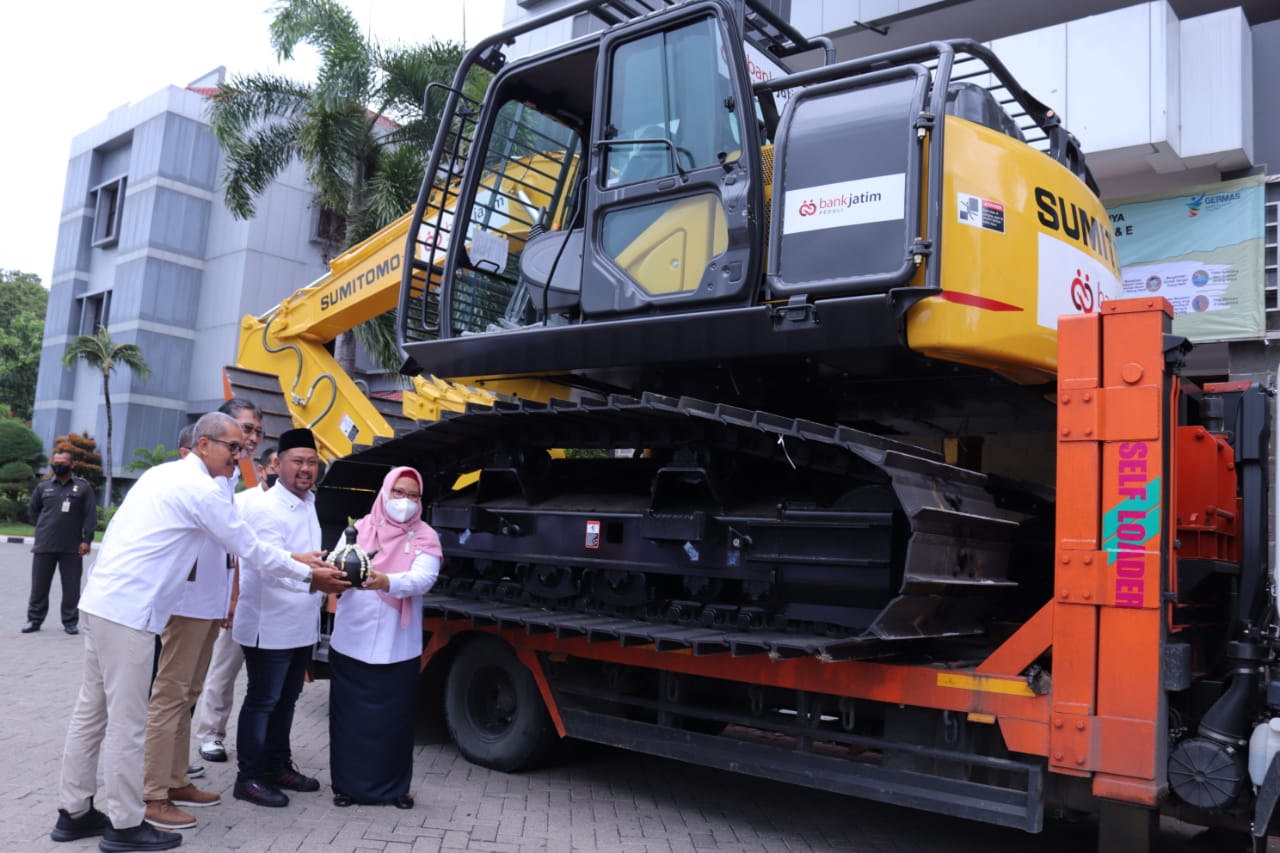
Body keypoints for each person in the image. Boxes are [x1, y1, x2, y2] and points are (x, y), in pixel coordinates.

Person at [51, 412, 348, 852]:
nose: (242, 454)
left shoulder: (164, 475)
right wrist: (311, 577)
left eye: (245, 446)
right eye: (233, 447)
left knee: (91, 714)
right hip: (128, 613)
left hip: (103, 604)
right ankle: (125, 824)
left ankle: (74, 812)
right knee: (128, 724)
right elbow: (247, 547)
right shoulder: (199, 488)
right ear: (204, 444)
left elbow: (246, 544)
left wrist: (298, 563)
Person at [140, 402, 266, 831]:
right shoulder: (196, 481)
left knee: (188, 693)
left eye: (255, 433)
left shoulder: (226, 479)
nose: (248, 441)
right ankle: (154, 794)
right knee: (170, 695)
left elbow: (229, 551)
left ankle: (176, 781)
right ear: (211, 437)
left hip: (208, 603)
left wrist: (228, 598)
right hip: (186, 602)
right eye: (242, 432)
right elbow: (244, 542)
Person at [329, 466, 442, 809]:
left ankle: (395, 789)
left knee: (394, 721)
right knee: (350, 719)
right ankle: (347, 787)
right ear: (385, 492)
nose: (405, 501)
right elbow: (335, 565)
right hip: (352, 640)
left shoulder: (425, 536)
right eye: (398, 492)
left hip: (397, 644)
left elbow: (424, 579)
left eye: (413, 495)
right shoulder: (360, 529)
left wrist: (386, 582)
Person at [232, 428, 328, 808]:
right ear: (279, 464)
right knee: (263, 700)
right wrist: (318, 577)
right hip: (268, 623)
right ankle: (249, 777)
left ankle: (277, 766)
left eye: (311, 462)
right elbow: (270, 565)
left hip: (302, 622)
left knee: (287, 700)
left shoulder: (311, 503)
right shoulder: (263, 507)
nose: (305, 469)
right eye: (297, 461)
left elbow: (311, 556)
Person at [195, 445, 277, 764]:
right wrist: (231, 598)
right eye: (271, 464)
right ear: (259, 469)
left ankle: (264, 740)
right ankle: (212, 735)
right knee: (224, 669)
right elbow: (230, 555)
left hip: (276, 605)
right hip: (241, 600)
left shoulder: (300, 505)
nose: (275, 470)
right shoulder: (241, 502)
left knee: (269, 680)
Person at [23, 447, 96, 635]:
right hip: (44, 544)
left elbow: (89, 516)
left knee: (71, 587)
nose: (58, 466)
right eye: (55, 463)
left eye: (62, 464)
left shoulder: (82, 487)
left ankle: (70, 622)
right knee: (39, 586)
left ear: (72, 464)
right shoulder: (43, 486)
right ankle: (34, 620)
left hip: (72, 546)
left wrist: (86, 540)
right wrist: (44, 527)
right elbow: (33, 512)